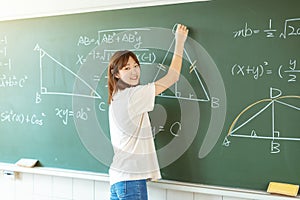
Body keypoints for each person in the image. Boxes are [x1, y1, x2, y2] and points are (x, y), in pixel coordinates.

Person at [107, 24, 189, 200]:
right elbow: (172, 77)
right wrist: (180, 41)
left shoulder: (116, 96)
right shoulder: (132, 95)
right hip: (130, 179)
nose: (134, 71)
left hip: (118, 178)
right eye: (126, 68)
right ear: (116, 74)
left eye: (136, 66)